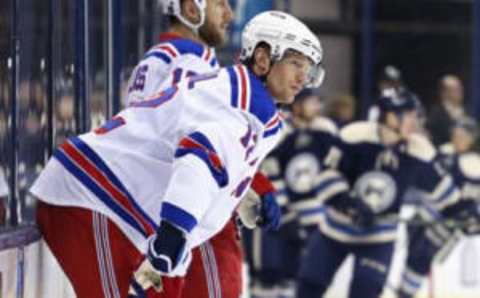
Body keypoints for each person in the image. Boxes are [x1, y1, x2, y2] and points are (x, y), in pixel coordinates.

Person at [30, 10, 325, 298]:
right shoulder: (240, 104)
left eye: (308, 68)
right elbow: (199, 155)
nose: (303, 77)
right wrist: (173, 234)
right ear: (262, 59)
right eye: (296, 63)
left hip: (129, 208)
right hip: (95, 196)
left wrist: (240, 192)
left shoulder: (248, 102)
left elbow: (195, 150)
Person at [295, 89, 460, 298]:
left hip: (379, 237)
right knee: (310, 284)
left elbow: (444, 192)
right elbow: (326, 176)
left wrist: (465, 209)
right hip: (335, 231)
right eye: (409, 115)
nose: (415, 121)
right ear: (390, 116)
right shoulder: (354, 135)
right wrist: (350, 204)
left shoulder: (419, 149)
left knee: (366, 291)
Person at [242, 89, 337, 298]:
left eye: (317, 102)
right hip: (273, 217)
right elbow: (268, 175)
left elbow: (330, 173)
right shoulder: (279, 131)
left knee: (295, 278)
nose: (317, 107)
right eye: (311, 102)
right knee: (267, 276)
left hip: (309, 221)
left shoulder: (325, 132)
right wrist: (285, 213)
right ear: (297, 104)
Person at [397, 117, 480, 298]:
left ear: (472, 139)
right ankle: (406, 290)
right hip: (426, 213)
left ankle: (406, 293)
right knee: (414, 256)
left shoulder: (475, 163)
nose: (457, 139)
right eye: (456, 135)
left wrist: (473, 215)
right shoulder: (444, 152)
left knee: (420, 258)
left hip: (451, 221)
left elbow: (470, 200)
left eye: (463, 136)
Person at [426, 74, 467, 146]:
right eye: (455, 89)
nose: (460, 92)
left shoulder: (468, 110)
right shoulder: (435, 115)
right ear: (444, 93)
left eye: (460, 88)